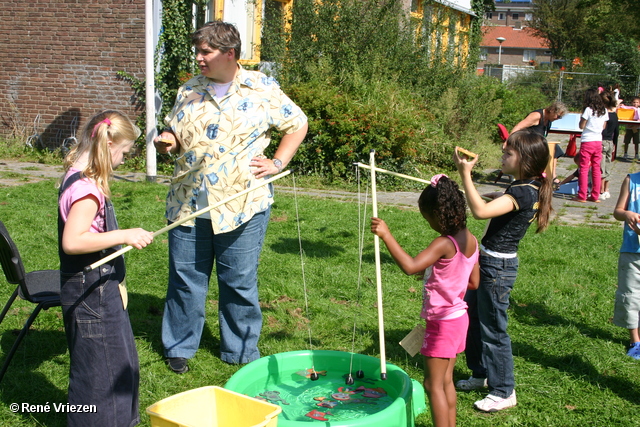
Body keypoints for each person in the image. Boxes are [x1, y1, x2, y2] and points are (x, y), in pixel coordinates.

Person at [154, 21, 308, 373]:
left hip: (242, 204)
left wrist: (278, 161)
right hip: (188, 202)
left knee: (238, 280)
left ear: (229, 53)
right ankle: (179, 346)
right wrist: (168, 141)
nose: (199, 58)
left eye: (205, 52)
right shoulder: (189, 89)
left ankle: (239, 351)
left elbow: (297, 123)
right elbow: (175, 132)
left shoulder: (261, 87)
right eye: (198, 51)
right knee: (185, 281)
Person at [58, 110, 154, 426]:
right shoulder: (87, 190)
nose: (124, 160)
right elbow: (73, 241)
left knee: (119, 362)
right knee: (102, 376)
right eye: (124, 152)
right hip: (93, 295)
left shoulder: (76, 173)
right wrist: (124, 235)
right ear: (108, 143)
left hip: (94, 290)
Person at [453, 130, 553, 412]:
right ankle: (480, 374)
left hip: (497, 268)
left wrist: (465, 174)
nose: (502, 155)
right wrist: (500, 195)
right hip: (489, 262)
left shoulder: (522, 190)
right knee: (473, 318)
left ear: (526, 159)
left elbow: (481, 213)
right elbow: (506, 204)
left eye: (508, 153)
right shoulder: (526, 186)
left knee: (494, 330)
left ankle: (504, 390)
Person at [370, 174, 479, 427]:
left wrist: (386, 234)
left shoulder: (443, 243)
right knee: (446, 381)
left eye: (427, 218)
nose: (429, 223)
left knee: (432, 385)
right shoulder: (471, 239)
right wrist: (436, 275)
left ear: (437, 214)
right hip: (459, 318)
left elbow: (409, 267)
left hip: (442, 323)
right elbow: (472, 282)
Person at [613, 172, 640, 360]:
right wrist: (627, 214)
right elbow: (617, 212)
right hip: (632, 250)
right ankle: (635, 341)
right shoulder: (631, 180)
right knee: (630, 295)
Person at [509, 101, 569, 183]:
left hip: (535, 142)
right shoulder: (537, 116)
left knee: (556, 149)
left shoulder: (548, 120)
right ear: (552, 110)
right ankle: (545, 175)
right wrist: (508, 141)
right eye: (558, 116)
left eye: (560, 117)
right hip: (527, 141)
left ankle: (552, 175)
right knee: (549, 150)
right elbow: (518, 126)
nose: (558, 118)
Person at [573, 88, 608, 203]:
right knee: (596, 169)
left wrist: (582, 120)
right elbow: (604, 126)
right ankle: (595, 195)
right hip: (598, 141)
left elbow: (581, 126)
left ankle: (582, 195)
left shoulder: (588, 109)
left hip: (587, 141)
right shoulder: (604, 110)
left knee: (584, 168)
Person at [599, 90, 619, 200]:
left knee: (601, 167)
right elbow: (617, 132)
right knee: (608, 167)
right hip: (610, 142)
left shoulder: (603, 115)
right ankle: (606, 189)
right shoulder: (614, 115)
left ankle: (600, 191)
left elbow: (602, 129)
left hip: (602, 141)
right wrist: (615, 143)